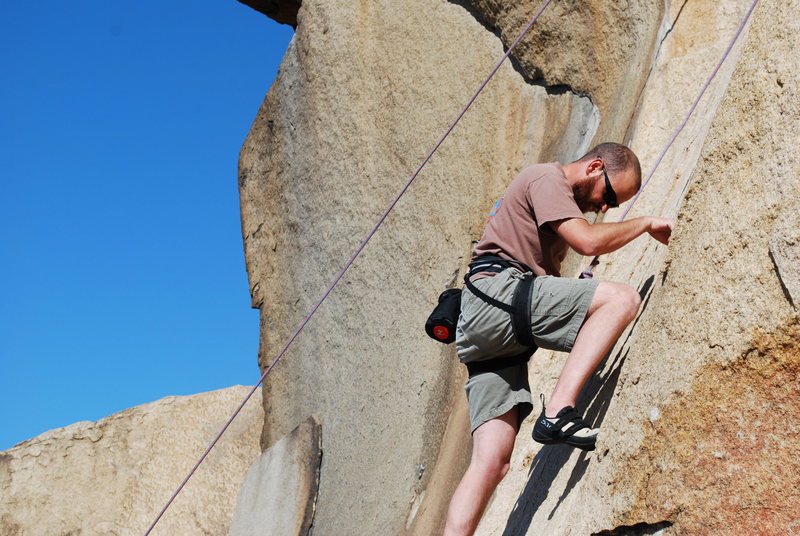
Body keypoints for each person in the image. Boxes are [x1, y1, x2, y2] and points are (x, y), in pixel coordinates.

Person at [442, 143, 674, 536]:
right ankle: (558, 411)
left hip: (488, 327)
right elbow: (588, 241)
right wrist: (646, 223)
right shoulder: (546, 177)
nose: (605, 208)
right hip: (498, 298)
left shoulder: (548, 197)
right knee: (620, 299)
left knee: (492, 462)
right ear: (594, 166)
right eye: (610, 196)